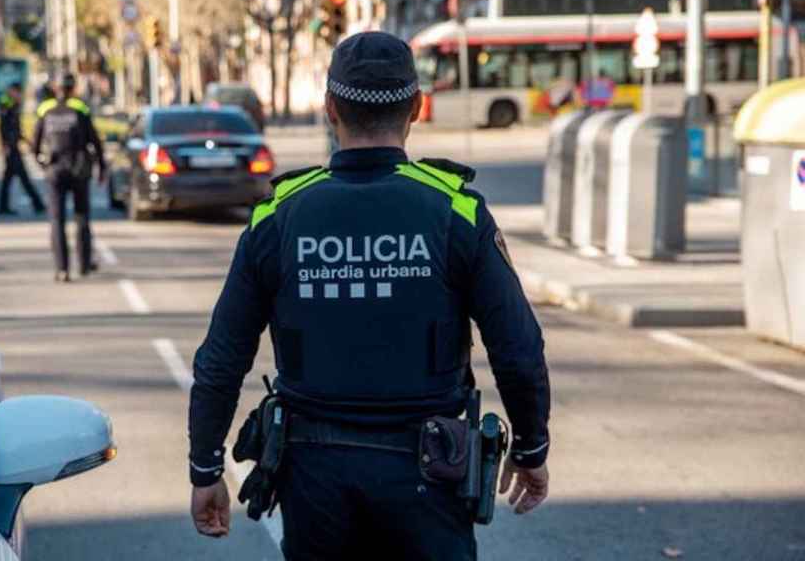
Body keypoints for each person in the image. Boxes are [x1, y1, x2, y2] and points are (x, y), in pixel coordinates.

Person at [187, 32, 551, 559]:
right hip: (431, 475)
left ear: (330, 108)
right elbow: (518, 348)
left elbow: (222, 357)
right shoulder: (457, 213)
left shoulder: (277, 218)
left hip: (314, 480)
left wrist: (205, 467)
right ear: (418, 107)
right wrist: (530, 447)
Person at [32, 73, 107, 283]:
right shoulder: (81, 109)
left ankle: (62, 269)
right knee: (82, 217)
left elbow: (34, 145)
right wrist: (101, 167)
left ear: (57, 89)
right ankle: (83, 265)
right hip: (79, 170)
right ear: (73, 88)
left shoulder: (45, 110)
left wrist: (43, 165)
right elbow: (95, 141)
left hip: (55, 171)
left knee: (57, 221)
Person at [0, 82, 45, 216]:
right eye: (17, 93)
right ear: (12, 91)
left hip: (13, 146)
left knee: (9, 179)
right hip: (11, 148)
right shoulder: (7, 105)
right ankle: (38, 204)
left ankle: (3, 206)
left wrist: (27, 141)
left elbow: (17, 130)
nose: (19, 96)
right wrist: (4, 145)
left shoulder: (14, 105)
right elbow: (2, 128)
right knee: (23, 178)